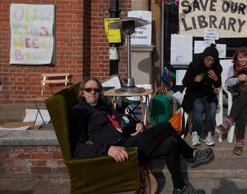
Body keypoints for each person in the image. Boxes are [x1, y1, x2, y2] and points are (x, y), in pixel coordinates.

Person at [69, 77, 214, 194]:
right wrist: (107, 149)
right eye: (89, 89)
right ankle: (191, 155)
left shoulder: (103, 106)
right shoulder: (79, 111)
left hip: (129, 139)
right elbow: (77, 149)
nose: (93, 92)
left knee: (171, 142)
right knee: (165, 127)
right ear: (82, 92)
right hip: (122, 149)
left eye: (96, 89)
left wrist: (138, 123)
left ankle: (179, 188)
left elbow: (121, 117)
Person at [216, 47, 247, 155]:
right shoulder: (233, 68)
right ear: (237, 58)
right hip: (240, 99)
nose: (242, 60)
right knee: (242, 106)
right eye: (240, 57)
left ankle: (228, 121)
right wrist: (238, 79)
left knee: (244, 96)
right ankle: (240, 142)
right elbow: (228, 83)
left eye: (244, 57)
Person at [182, 44, 222, 147]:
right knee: (198, 107)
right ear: (204, 57)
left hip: (208, 94)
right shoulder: (194, 65)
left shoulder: (216, 68)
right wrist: (194, 80)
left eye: (212, 60)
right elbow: (185, 82)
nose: (210, 62)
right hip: (194, 94)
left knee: (212, 107)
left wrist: (216, 79)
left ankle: (207, 133)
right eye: (208, 59)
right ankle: (195, 131)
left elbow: (218, 85)